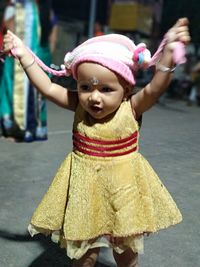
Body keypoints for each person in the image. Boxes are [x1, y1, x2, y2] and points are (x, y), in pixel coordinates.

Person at [2, 17, 190, 266]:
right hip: (84, 190)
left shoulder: (132, 107)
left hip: (123, 191)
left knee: (126, 254)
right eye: (85, 87)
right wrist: (22, 53)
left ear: (126, 88)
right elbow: (47, 87)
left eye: (106, 89)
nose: (94, 98)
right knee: (84, 257)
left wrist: (168, 55)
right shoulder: (79, 106)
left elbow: (155, 89)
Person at [0, 0, 56, 142]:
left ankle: (31, 128)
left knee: (36, 92)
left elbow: (52, 30)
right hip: (18, 56)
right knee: (12, 90)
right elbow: (8, 27)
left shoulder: (43, 8)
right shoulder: (16, 6)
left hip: (38, 54)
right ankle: (16, 128)